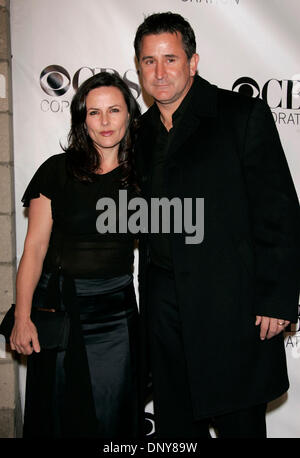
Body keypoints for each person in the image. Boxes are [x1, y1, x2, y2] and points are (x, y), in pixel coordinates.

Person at [134, 12, 300, 438]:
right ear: (138, 68)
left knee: (239, 422)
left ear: (194, 62)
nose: (160, 71)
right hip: (165, 307)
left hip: (233, 304)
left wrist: (278, 300)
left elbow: (278, 212)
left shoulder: (241, 115)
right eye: (149, 61)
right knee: (176, 429)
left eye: (171, 59)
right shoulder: (140, 132)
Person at [9, 71, 142, 438]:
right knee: (57, 414)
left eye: (114, 110)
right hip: (60, 307)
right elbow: (34, 249)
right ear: (82, 118)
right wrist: (22, 316)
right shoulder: (57, 170)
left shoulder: (143, 177)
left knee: (113, 417)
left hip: (116, 313)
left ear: (129, 114)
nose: (105, 122)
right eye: (94, 112)